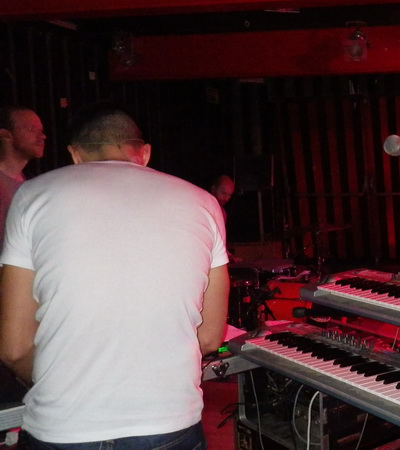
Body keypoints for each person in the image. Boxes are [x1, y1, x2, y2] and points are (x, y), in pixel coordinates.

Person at [0, 104, 229, 449]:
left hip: (63, 427)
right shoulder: (204, 202)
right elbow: (210, 337)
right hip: (169, 422)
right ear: (144, 153)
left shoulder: (32, 196)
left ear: (75, 155)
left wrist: (62, 378)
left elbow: (14, 347)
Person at [0, 106, 46, 250]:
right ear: (6, 135)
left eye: (41, 130)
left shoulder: (28, 183)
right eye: (32, 129)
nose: (42, 136)